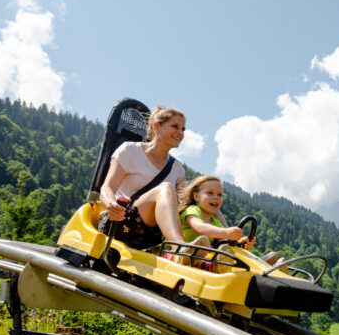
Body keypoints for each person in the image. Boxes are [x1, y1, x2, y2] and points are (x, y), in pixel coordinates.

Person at [98, 106, 187, 250]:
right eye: (175, 126)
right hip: (121, 221)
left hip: (154, 232)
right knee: (165, 188)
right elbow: (107, 187)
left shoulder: (178, 169)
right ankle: (178, 247)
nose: (180, 133)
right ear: (157, 126)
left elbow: (181, 208)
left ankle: (185, 247)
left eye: (183, 129)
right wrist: (110, 204)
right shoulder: (130, 150)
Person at [177, 175, 283, 267]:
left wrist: (238, 242)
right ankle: (253, 264)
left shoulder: (215, 221)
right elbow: (200, 228)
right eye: (210, 193)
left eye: (220, 195)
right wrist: (226, 232)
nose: (216, 197)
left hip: (205, 256)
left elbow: (223, 241)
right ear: (196, 196)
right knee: (204, 241)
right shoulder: (192, 210)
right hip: (185, 254)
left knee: (227, 248)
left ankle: (259, 264)